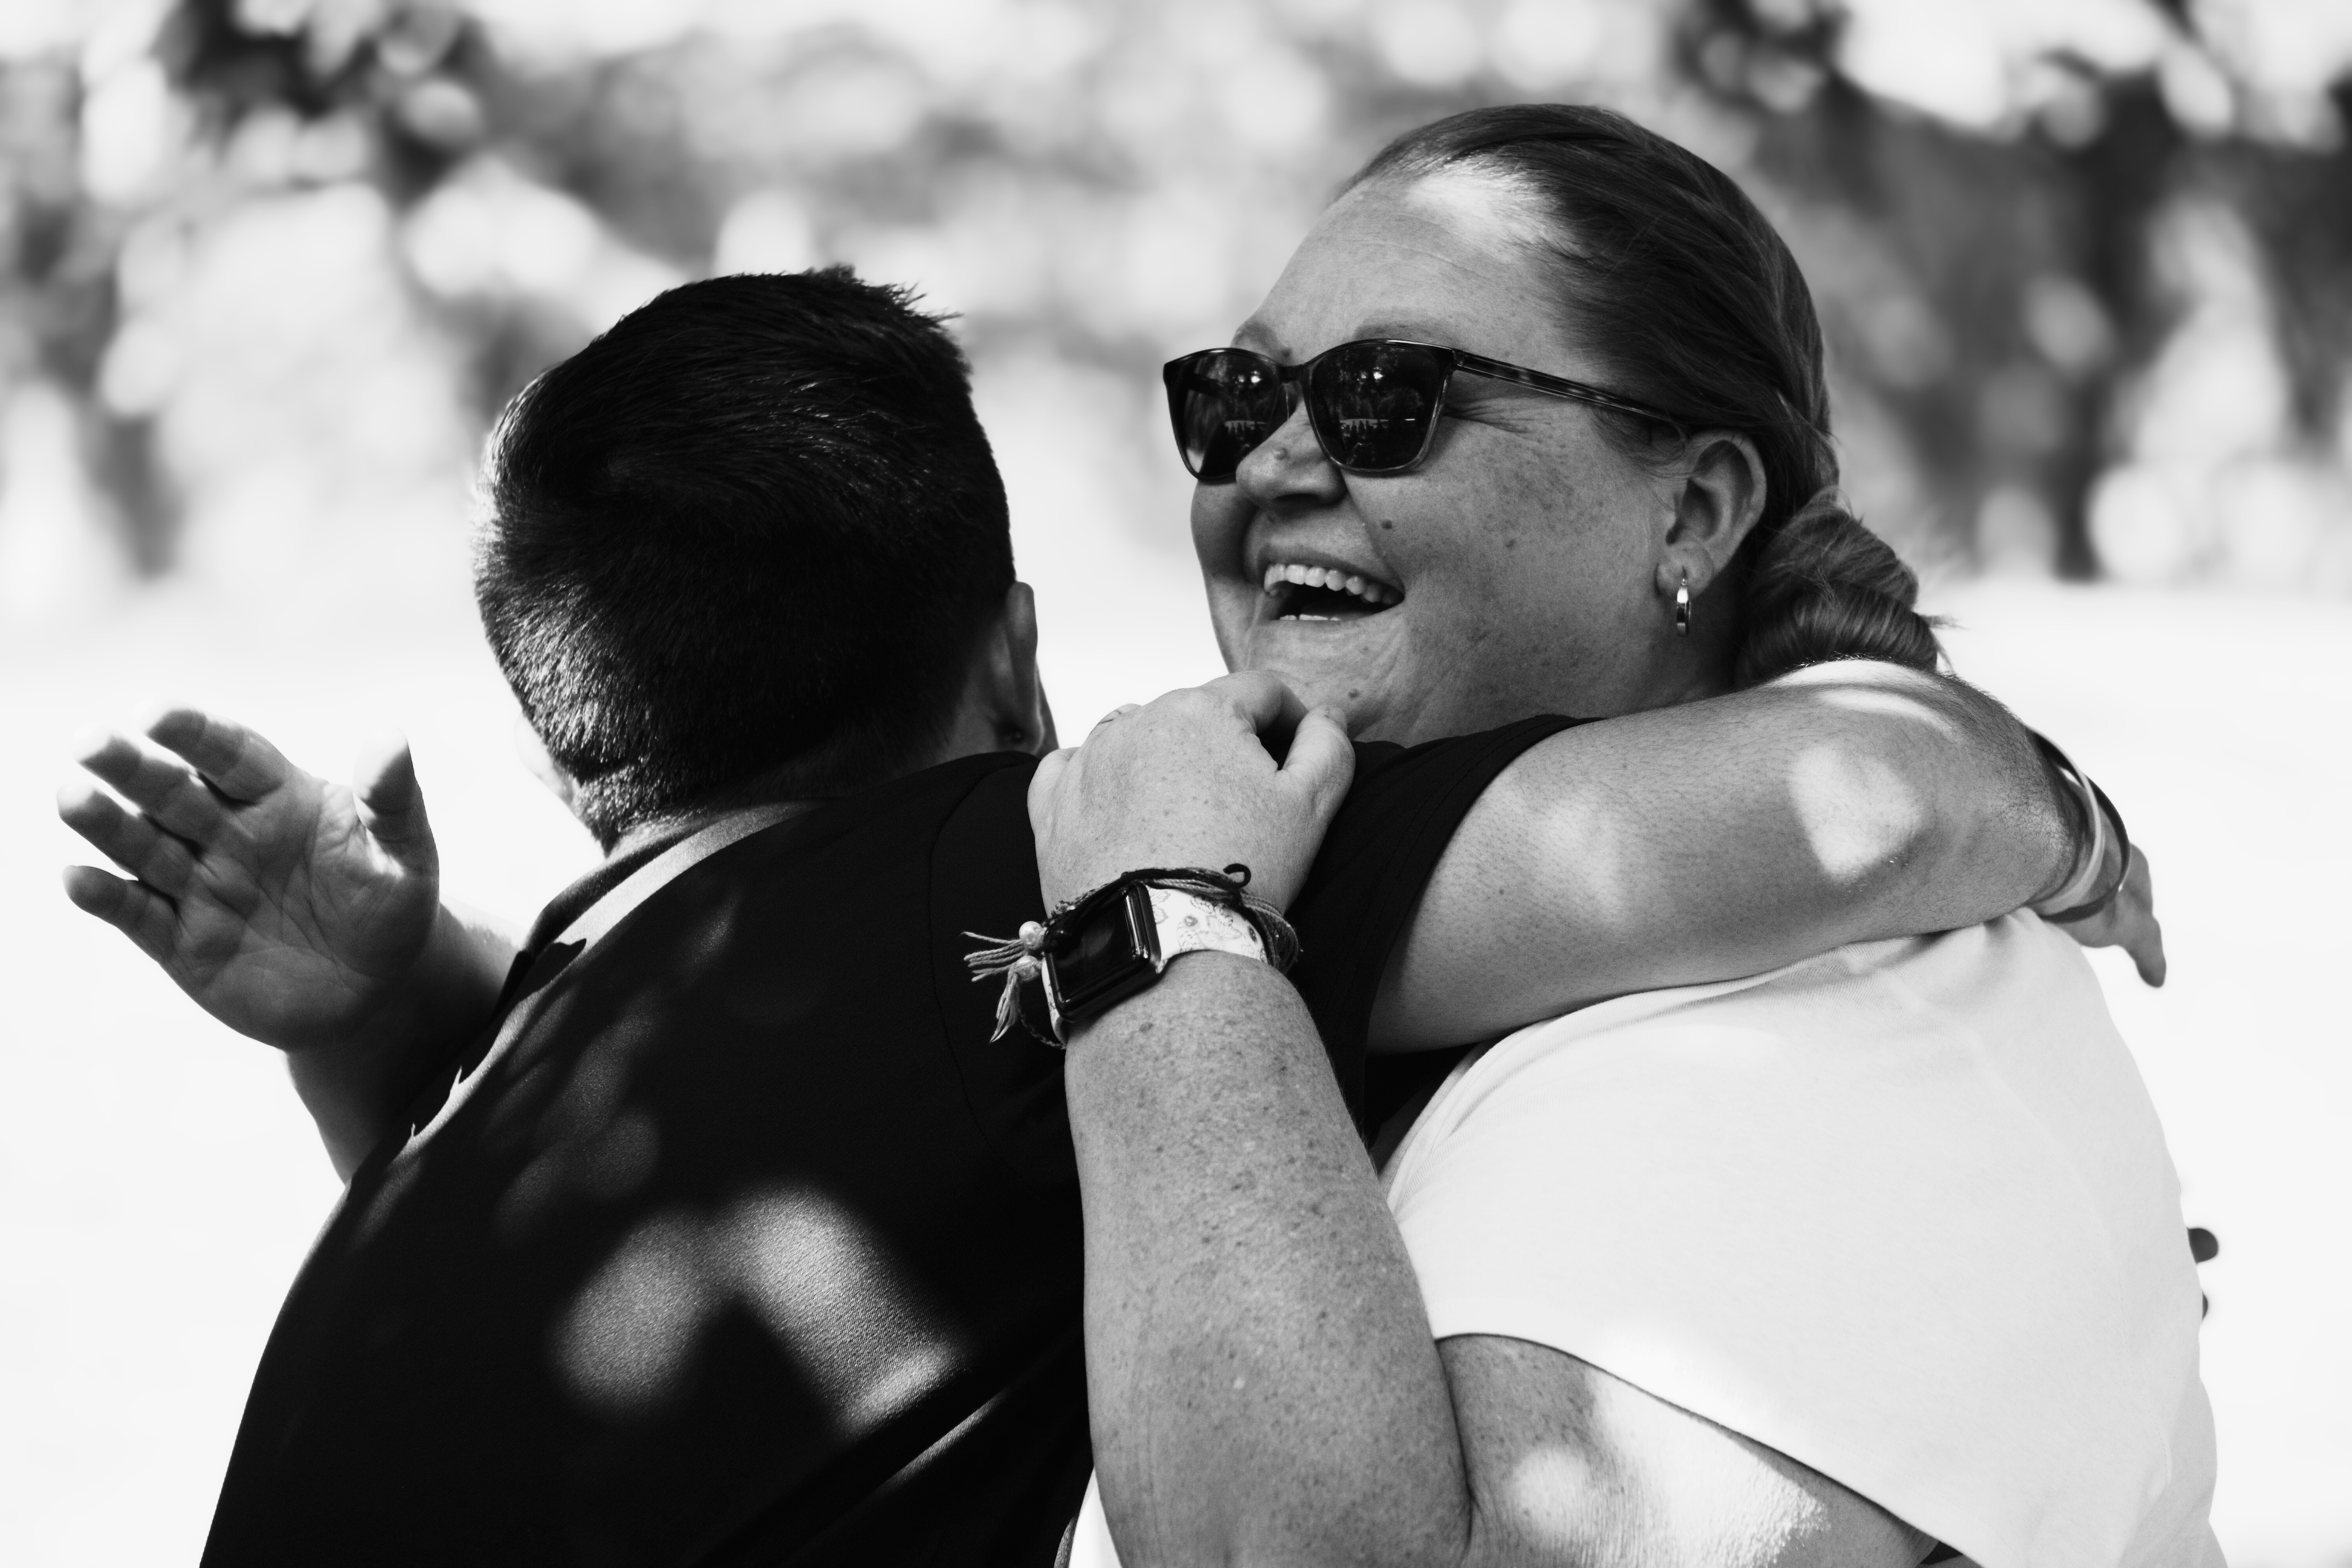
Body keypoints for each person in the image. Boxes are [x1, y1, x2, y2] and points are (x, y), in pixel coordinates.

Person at [61, 264, 2136, 1565]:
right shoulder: (1032, 868)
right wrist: (2060, 817)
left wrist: (394, 1009)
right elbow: (1844, 812)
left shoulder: (568, 1003)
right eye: (1243, 406)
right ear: (1017, 664)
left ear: (571, 755)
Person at [1029, 105, 2215, 1568]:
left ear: (1694, 511)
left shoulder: (1822, 1036)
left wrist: (1161, 924)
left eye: (1385, 395)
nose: (1271, 464)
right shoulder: (1317, 894)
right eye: (1239, 396)